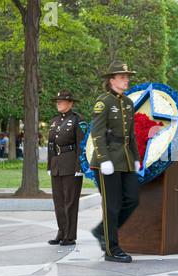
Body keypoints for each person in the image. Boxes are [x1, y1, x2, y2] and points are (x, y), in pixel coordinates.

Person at [90, 60, 141, 263]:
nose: (126, 79)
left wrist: (136, 158)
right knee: (112, 206)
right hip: (107, 161)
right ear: (111, 80)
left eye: (127, 76)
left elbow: (131, 135)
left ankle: (101, 231)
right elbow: (97, 133)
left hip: (125, 160)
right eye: (122, 77)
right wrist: (103, 159)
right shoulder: (104, 102)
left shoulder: (128, 103)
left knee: (132, 199)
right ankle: (112, 250)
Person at [47, 88, 87, 246]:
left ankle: (70, 236)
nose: (58, 103)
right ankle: (61, 232)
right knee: (59, 201)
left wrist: (80, 167)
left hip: (71, 166)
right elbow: (51, 144)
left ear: (70, 103)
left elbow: (81, 146)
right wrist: (50, 164)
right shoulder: (54, 120)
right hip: (57, 165)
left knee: (70, 201)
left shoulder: (78, 120)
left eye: (62, 101)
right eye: (57, 101)